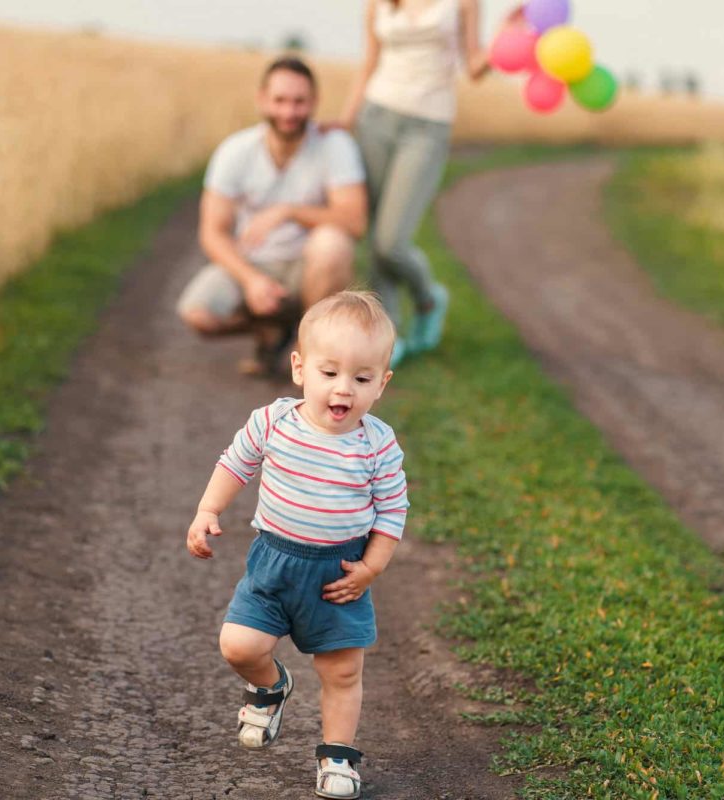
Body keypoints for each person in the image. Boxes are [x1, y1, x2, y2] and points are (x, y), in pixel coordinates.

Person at [186, 291, 408, 799]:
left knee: (342, 670)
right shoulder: (273, 422)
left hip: (338, 574)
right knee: (239, 645)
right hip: (274, 564)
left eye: (362, 378)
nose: (343, 389)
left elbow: (393, 511)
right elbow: (235, 463)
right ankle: (269, 686)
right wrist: (207, 511)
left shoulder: (377, 444)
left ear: (382, 383)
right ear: (299, 368)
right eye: (329, 373)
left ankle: (337, 756)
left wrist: (370, 569)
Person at [334, 0, 509, 366]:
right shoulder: (379, 4)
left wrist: (507, 36)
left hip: (428, 127)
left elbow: (474, 67)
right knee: (375, 235)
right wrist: (345, 120)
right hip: (375, 119)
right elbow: (369, 63)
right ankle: (388, 334)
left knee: (391, 240)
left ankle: (428, 296)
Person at [178, 56, 368, 377]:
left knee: (333, 244)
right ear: (262, 100)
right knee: (198, 315)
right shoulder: (235, 151)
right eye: (280, 101)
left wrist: (288, 211)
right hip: (254, 263)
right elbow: (212, 233)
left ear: (314, 102)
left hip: (308, 267)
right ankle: (275, 329)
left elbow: (355, 222)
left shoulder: (335, 145)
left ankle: (312, 357)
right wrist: (251, 280)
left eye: (299, 102)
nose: (289, 112)